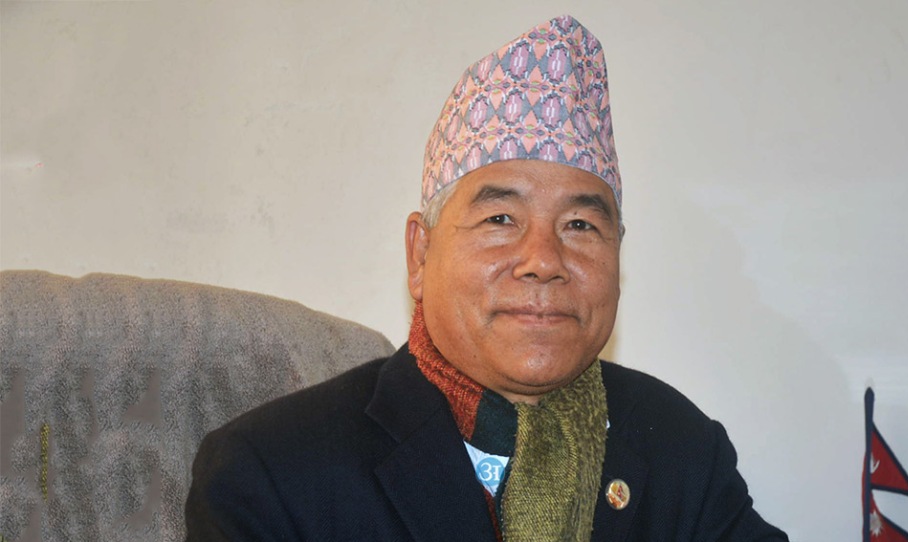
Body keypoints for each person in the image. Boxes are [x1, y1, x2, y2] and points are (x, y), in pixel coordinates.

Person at [186, 15, 787, 541]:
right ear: (420, 254)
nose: (543, 260)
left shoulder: (679, 449)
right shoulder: (275, 473)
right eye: (501, 219)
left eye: (580, 225)